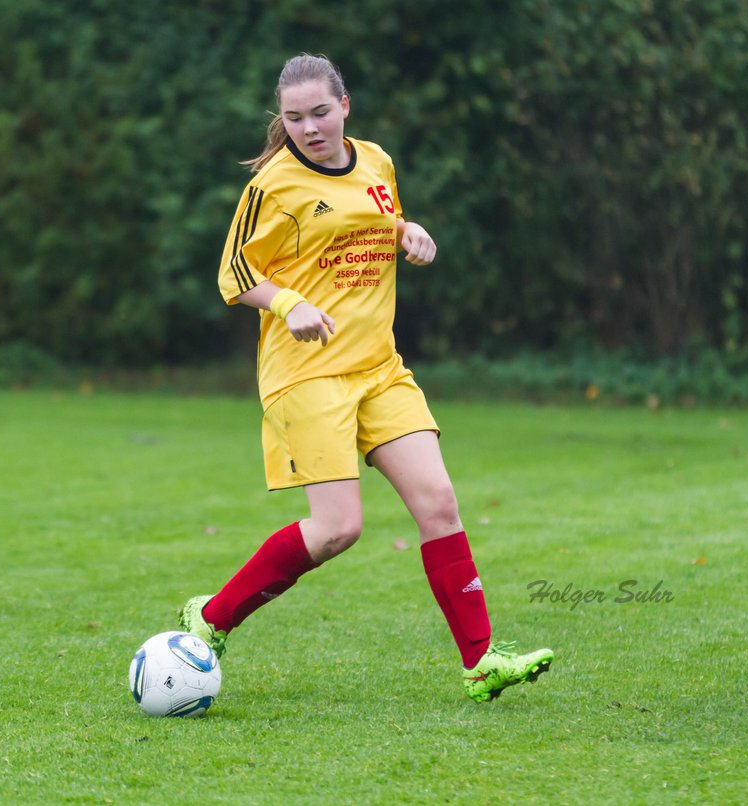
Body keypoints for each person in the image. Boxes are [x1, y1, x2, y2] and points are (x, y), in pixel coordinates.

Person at [179, 54, 552, 702]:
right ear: (283, 121)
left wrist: (410, 232)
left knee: (439, 503)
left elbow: (376, 224)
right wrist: (289, 304)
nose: (309, 127)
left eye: (320, 112)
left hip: (379, 368)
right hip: (306, 375)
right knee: (337, 529)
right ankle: (211, 616)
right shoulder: (274, 185)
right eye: (294, 118)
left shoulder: (376, 161)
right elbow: (234, 276)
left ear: (344, 106)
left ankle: (482, 661)